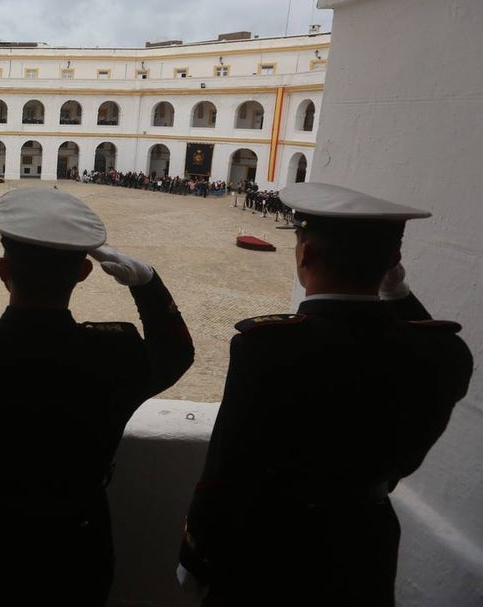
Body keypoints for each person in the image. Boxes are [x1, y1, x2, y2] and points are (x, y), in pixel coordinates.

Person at [177, 183, 474, 606]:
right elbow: (426, 341)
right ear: (394, 260)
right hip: (365, 540)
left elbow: (226, 468)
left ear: (305, 254)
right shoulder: (445, 354)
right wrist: (400, 296)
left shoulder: (267, 348)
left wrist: (197, 552)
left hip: (272, 546)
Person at [0, 187, 194, 605]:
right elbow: (177, 354)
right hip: (74, 548)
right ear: (84, 272)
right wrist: (147, 283)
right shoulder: (116, 354)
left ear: (3, 269)